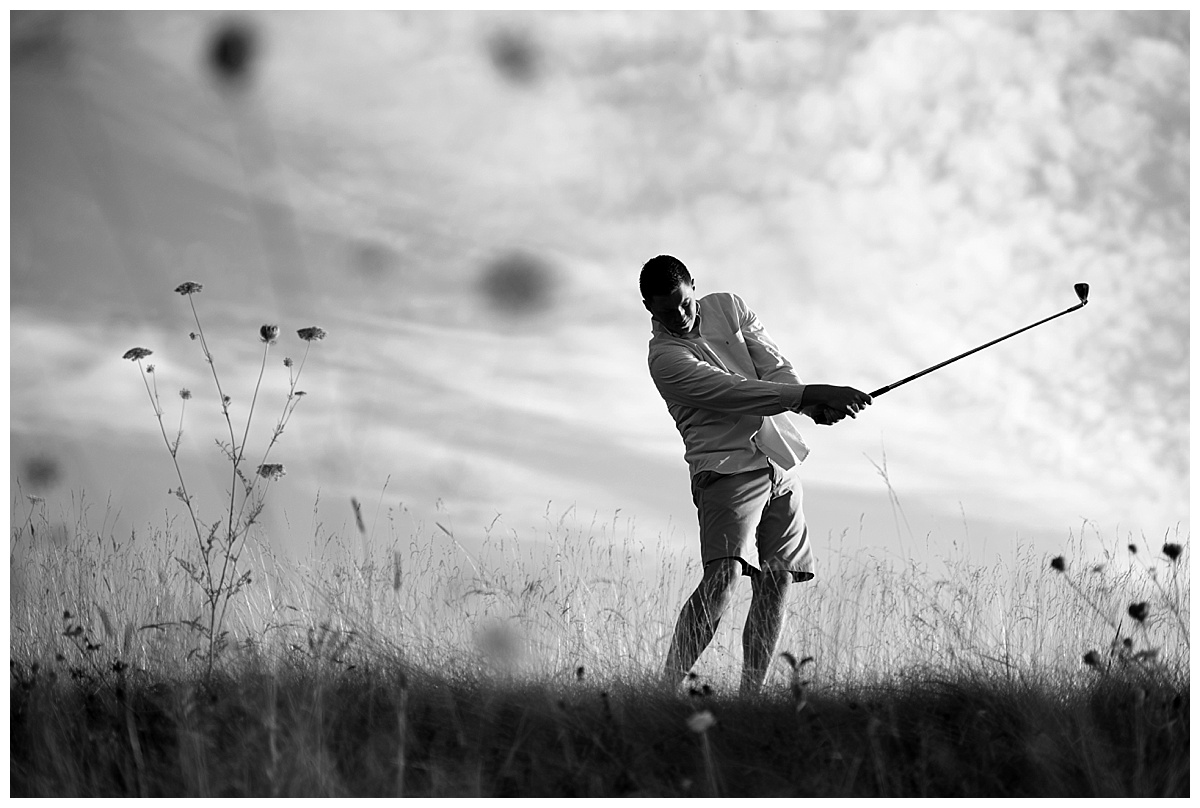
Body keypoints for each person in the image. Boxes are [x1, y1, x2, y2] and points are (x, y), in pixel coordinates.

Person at [641, 254, 872, 695]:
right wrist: (810, 394)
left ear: (694, 285)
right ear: (650, 311)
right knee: (723, 577)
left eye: (685, 303)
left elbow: (774, 368)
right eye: (667, 312)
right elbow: (732, 392)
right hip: (724, 468)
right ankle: (662, 692)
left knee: (778, 576)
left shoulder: (729, 306)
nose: (680, 316)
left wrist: (807, 404)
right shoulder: (665, 358)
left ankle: (753, 698)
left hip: (776, 460)